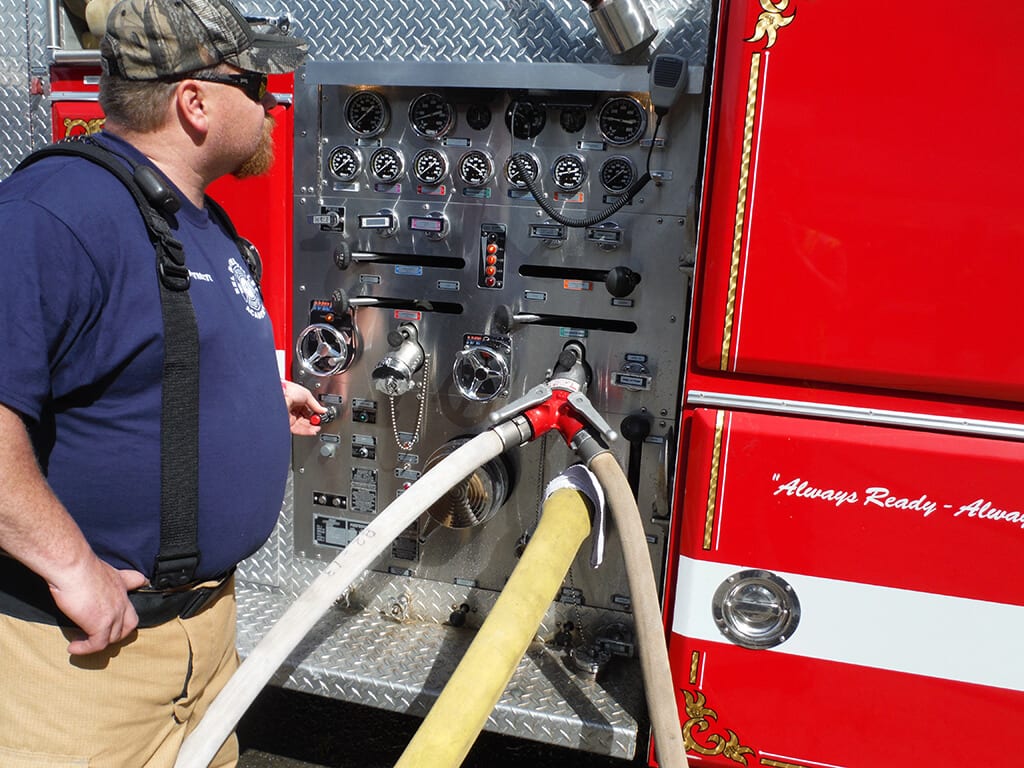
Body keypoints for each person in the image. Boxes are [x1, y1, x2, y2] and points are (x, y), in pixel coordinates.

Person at [0, 0, 322, 765]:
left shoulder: (195, 218)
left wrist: (252, 404)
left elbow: (138, 363)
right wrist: (74, 570)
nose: (275, 103)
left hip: (206, 645)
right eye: (257, 85)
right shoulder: (51, 216)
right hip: (86, 667)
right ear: (195, 101)